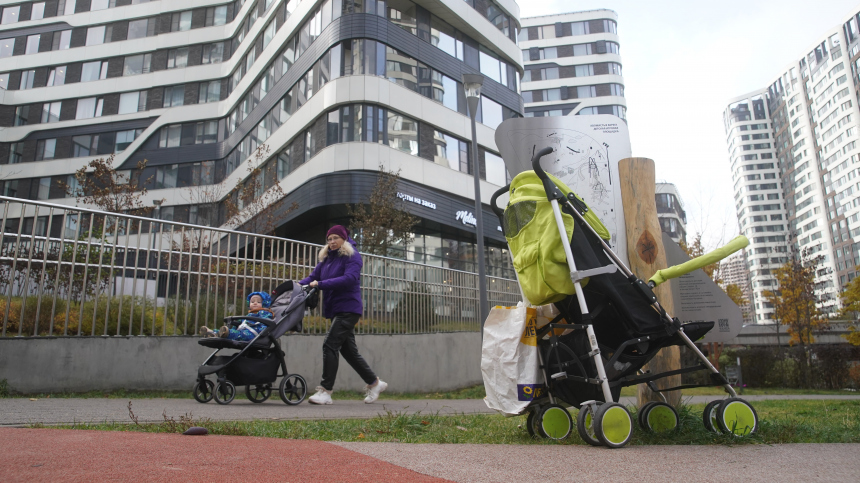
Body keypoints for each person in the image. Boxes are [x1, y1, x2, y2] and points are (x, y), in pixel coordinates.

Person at [300, 225, 387, 405]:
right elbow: (311, 278)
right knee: (349, 351)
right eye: (329, 239)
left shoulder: (352, 256)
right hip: (335, 309)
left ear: (344, 239)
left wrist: (320, 284)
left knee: (330, 345)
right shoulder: (326, 259)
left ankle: (325, 391)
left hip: (349, 308)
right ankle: (374, 383)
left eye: (335, 238)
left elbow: (350, 279)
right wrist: (294, 286)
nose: (332, 242)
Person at [199, 292, 273, 341]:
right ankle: (213, 333)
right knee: (235, 332)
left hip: (253, 334)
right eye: (252, 302)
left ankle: (225, 333)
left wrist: (262, 332)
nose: (255, 303)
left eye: (258, 302)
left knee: (237, 334)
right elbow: (241, 323)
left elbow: (265, 323)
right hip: (243, 331)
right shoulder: (249, 315)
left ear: (264, 304)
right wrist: (235, 323)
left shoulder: (264, 313)